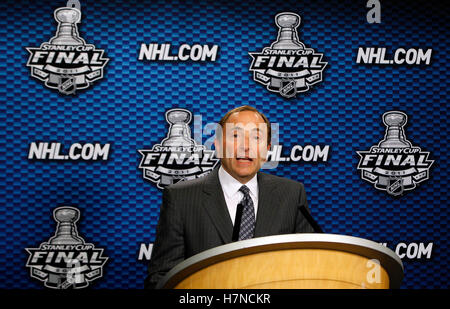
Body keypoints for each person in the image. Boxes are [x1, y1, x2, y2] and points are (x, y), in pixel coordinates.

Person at [145, 105, 316, 289]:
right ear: (218, 146)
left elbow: (307, 268)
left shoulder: (291, 193)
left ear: (266, 150)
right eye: (235, 136)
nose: (245, 146)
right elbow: (161, 279)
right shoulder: (181, 198)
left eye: (256, 137)